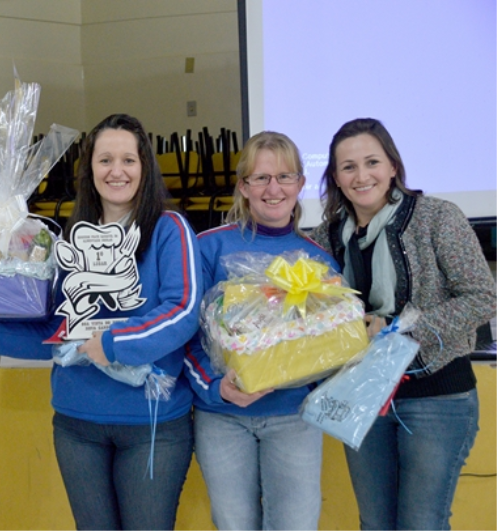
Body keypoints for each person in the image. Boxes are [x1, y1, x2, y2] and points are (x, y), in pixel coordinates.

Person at [0, 114, 202, 531]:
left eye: (128, 160)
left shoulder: (169, 229)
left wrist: (112, 343)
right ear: (89, 169)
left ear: (145, 167)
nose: (116, 171)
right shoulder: (71, 237)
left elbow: (182, 312)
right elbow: (51, 333)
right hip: (77, 425)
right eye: (105, 160)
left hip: (151, 425)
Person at [311, 117, 497, 530]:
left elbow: (484, 297)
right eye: (348, 167)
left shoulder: (437, 217)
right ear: (336, 178)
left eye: (372, 162)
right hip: (364, 397)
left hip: (437, 398)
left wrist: (400, 328)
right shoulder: (326, 237)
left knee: (421, 524)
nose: (362, 176)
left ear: (393, 166)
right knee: (375, 523)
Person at [184, 131, 332, 531]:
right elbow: (186, 335)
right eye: (261, 178)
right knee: (234, 524)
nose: (273, 188)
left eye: (285, 177)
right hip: (223, 418)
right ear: (243, 186)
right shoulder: (207, 248)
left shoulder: (319, 260)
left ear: (301, 184)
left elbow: (329, 346)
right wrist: (216, 388)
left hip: (294, 418)